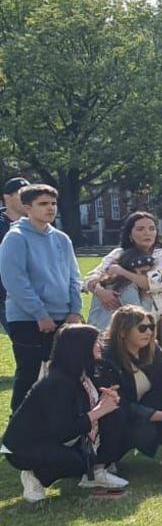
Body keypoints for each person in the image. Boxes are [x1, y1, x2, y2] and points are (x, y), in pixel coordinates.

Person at [3, 324, 125, 502]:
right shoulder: (57, 383)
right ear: (80, 348)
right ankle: (35, 476)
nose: (99, 346)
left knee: (117, 416)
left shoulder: (84, 372)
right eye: (94, 343)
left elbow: (84, 410)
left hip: (58, 437)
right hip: (25, 447)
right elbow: (62, 429)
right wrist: (99, 411)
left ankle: (96, 471)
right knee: (76, 463)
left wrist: (107, 400)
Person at [0, 184, 83, 410]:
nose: (50, 208)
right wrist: (40, 314)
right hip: (28, 319)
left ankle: (52, 430)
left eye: (53, 203)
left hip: (63, 317)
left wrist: (75, 311)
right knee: (30, 375)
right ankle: (16, 434)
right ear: (27, 207)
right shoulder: (15, 238)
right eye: (43, 204)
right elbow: (15, 281)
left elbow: (74, 277)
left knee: (62, 375)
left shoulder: (62, 239)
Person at [93, 305, 162, 464]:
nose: (148, 332)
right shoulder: (107, 357)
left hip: (142, 407)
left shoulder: (151, 347)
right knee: (118, 416)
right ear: (122, 332)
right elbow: (119, 403)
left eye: (151, 327)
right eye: (142, 328)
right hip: (118, 416)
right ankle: (105, 460)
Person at [0, 176, 30, 334]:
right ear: (7, 198)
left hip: (32, 293)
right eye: (21, 194)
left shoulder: (36, 224)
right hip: (4, 295)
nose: (27, 199)